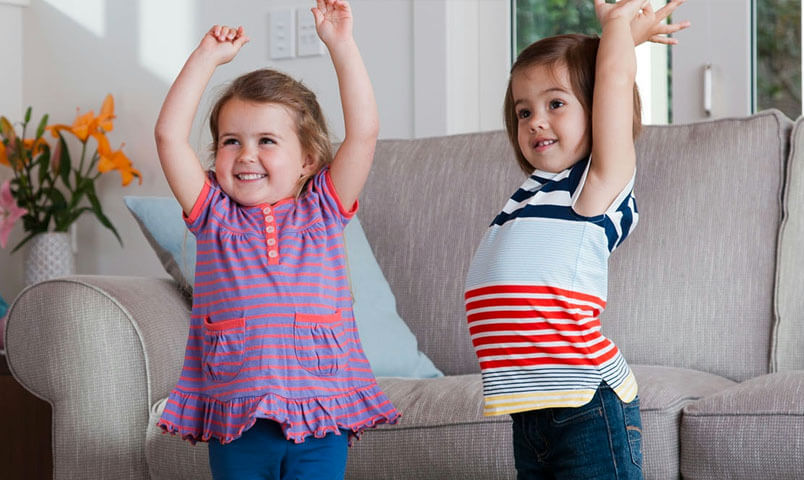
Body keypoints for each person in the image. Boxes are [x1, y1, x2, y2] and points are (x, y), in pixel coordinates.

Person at [153, 1, 398, 479]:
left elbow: (364, 134)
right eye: (231, 141)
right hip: (237, 422)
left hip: (321, 419)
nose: (246, 154)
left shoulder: (323, 209)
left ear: (308, 159)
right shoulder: (213, 215)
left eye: (267, 140)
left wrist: (341, 45)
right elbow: (168, 137)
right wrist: (205, 56)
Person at [464, 0, 689, 478]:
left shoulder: (595, 186)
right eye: (524, 111)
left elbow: (610, 86)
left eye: (556, 103)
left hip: (588, 404)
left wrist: (616, 33)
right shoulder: (528, 194)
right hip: (531, 410)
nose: (535, 121)